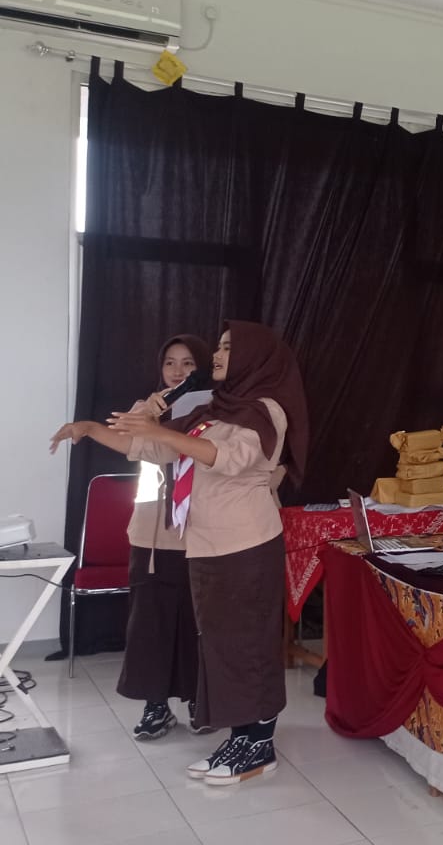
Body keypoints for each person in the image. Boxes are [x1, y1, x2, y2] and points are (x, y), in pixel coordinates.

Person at [52, 321, 310, 786]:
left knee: (248, 644)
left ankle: (260, 743)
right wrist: (89, 429)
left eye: (228, 348)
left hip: (247, 543)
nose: (219, 354)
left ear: (255, 357)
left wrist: (165, 433)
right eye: (220, 346)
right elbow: (149, 446)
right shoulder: (216, 409)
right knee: (222, 644)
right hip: (209, 545)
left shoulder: (265, 409)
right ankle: (241, 736)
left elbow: (229, 458)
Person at [118, 334, 213, 740]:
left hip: (199, 534)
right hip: (151, 537)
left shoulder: (217, 413)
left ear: (202, 368)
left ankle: (199, 700)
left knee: (197, 622)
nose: (177, 371)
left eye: (188, 363)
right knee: (149, 625)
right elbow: (136, 447)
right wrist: (151, 418)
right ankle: (155, 706)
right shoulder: (143, 409)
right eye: (170, 363)